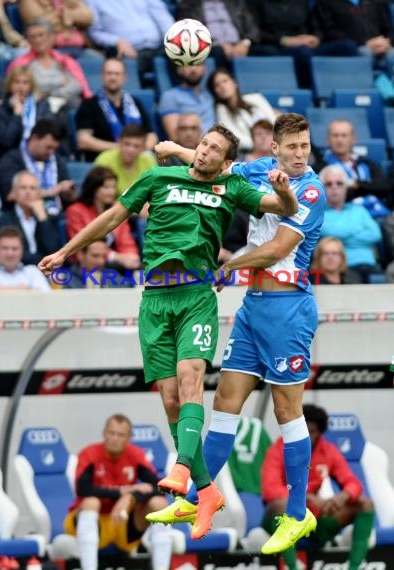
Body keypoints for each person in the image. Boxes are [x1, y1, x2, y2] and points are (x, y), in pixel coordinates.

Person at [38, 122, 298, 540]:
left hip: (196, 295)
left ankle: (180, 469)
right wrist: (65, 252)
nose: (204, 152)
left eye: (214, 150)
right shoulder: (158, 177)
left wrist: (284, 189)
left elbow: (283, 208)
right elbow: (111, 218)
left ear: (226, 162)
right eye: (203, 145)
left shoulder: (231, 188)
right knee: (172, 401)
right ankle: (207, 491)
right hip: (154, 301)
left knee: (190, 378)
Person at [149, 113, 326, 555]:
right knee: (225, 401)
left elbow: (278, 249)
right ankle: (197, 499)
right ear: (275, 149)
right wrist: (175, 150)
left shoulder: (310, 189)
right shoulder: (256, 172)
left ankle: (298, 511)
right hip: (253, 309)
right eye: (292, 147)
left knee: (288, 411)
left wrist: (230, 264)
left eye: (305, 146)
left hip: (288, 308)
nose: (300, 153)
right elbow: (214, 166)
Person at [261, 404, 375, 570]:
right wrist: (304, 498)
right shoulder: (278, 449)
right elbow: (270, 490)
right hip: (281, 518)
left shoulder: (328, 451)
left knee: (365, 503)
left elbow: (353, 483)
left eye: (312, 431)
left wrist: (341, 497)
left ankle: (354, 567)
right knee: (282, 505)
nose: (306, 435)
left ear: (320, 432)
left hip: (314, 517)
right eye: (303, 429)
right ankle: (293, 567)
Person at [64, 414, 174, 570]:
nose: (115, 438)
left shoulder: (135, 454)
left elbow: (160, 487)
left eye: (120, 434)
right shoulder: (90, 454)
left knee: (159, 504)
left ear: (129, 438)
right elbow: (82, 489)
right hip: (93, 521)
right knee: (91, 502)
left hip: (122, 522)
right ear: (105, 434)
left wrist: (130, 496)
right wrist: (123, 491)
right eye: (111, 433)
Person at [249, 0, 358, 88]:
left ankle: (349, 88)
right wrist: (286, 40)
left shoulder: (301, 2)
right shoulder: (257, 3)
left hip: (307, 45)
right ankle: (310, 90)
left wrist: (315, 38)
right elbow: (256, 32)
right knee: (303, 53)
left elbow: (315, 25)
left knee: (348, 47)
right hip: (278, 46)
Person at [76, 58, 158, 162]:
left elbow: (151, 135)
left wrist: (137, 149)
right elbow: (83, 141)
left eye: (117, 74)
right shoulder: (88, 105)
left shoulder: (135, 103)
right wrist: (122, 148)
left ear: (125, 77)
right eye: (109, 73)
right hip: (104, 164)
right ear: (102, 76)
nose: (113, 77)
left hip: (136, 162)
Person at [7, 18, 92, 111]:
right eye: (32, 36)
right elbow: (20, 89)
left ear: (51, 37)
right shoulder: (20, 64)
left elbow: (77, 86)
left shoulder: (66, 61)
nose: (37, 39)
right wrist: (59, 83)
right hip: (35, 108)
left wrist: (50, 94)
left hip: (67, 104)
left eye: (41, 35)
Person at [65, 166, 141, 271]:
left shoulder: (117, 210)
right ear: (94, 188)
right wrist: (114, 257)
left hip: (115, 265)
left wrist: (131, 255)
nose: (111, 192)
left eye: (113, 187)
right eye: (106, 187)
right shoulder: (75, 210)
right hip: (87, 263)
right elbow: (82, 244)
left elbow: (126, 240)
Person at [0, 118, 76, 215]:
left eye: (54, 149)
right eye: (48, 147)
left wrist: (68, 193)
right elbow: (10, 195)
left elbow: (67, 189)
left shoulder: (56, 160)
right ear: (34, 138)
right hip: (24, 217)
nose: (51, 152)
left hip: (56, 215)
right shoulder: (11, 160)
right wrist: (49, 192)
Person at [315, 119, 393, 220]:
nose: (339, 140)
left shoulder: (365, 162)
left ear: (353, 138)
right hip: (345, 217)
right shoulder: (321, 166)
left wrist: (356, 184)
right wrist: (370, 187)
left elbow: (385, 187)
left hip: (378, 213)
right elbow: (336, 195)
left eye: (344, 135)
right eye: (335, 135)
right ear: (328, 139)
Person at [319, 164, 384, 284]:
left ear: (346, 188)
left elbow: (375, 234)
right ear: (321, 188)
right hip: (341, 268)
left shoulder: (359, 210)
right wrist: (357, 229)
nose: (334, 187)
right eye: (329, 184)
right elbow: (329, 232)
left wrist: (341, 235)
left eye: (339, 183)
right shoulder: (318, 213)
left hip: (370, 265)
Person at [83, 0, 174, 82]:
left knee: (183, 57)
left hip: (160, 46)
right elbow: (94, 32)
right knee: (124, 73)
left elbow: (163, 19)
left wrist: (175, 41)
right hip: (130, 51)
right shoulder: (92, 1)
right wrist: (116, 41)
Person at [176, 0, 274, 69]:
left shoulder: (237, 2)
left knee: (269, 51)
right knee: (219, 52)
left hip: (241, 46)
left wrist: (245, 43)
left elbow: (253, 28)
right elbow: (188, 31)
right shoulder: (188, 5)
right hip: (211, 46)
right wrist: (216, 43)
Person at [0, 171, 61, 266]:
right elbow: (7, 254)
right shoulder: (2, 221)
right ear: (14, 192)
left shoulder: (48, 218)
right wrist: (42, 262)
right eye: (23, 188)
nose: (28, 192)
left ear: (39, 193)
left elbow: (53, 250)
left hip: (47, 271)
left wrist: (42, 218)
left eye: (32, 188)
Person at [206, 68, 277, 155]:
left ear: (234, 82)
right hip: (251, 153)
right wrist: (261, 145)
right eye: (217, 85)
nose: (222, 86)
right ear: (214, 92)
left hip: (275, 146)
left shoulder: (256, 98)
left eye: (225, 81)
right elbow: (235, 138)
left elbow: (274, 121)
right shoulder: (221, 109)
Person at [313, 0, 394, 74]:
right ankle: (366, 88)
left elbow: (388, 29)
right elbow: (329, 32)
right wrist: (365, 43)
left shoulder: (376, 3)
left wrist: (386, 42)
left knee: (392, 55)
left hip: (382, 46)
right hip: (355, 47)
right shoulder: (326, 3)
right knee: (365, 53)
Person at [0, 65, 55, 157]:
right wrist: (17, 115)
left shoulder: (41, 105)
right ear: (10, 85)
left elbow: (50, 133)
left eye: (25, 83)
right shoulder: (0, 110)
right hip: (12, 155)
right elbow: (6, 142)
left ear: (31, 86)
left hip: (40, 153)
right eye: (17, 82)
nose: (21, 86)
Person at [94, 124, 157, 197]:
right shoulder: (104, 160)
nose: (130, 150)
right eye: (127, 144)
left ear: (143, 148)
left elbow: (155, 191)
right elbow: (98, 194)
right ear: (119, 142)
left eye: (136, 146)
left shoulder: (149, 162)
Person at [0, 225, 51, 292]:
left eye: (15, 249)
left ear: (22, 250)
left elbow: (47, 298)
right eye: (5, 248)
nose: (10, 254)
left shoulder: (33, 272)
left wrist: (0, 291)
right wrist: (27, 290)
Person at [158, 63, 215, 141]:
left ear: (204, 68)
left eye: (198, 64)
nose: (194, 69)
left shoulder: (211, 94)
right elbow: (175, 137)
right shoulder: (169, 96)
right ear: (179, 69)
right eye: (189, 64)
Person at [19, 0, 94, 56]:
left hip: (78, 45)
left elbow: (88, 18)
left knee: (95, 60)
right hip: (48, 47)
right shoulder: (28, 2)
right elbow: (37, 24)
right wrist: (61, 15)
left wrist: (66, 15)